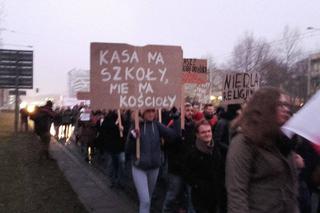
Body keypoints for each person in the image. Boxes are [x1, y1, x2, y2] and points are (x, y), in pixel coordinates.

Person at [226, 87, 299, 213]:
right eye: (280, 105)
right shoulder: (243, 142)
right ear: (265, 107)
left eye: (287, 105)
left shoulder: (283, 141)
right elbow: (237, 192)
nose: (286, 109)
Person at [126, 108, 179, 213]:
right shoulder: (136, 125)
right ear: (142, 112)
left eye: (153, 111)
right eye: (148, 112)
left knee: (148, 198)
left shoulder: (157, 125)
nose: (151, 114)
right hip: (139, 167)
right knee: (145, 200)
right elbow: (127, 149)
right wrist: (132, 137)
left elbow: (173, 136)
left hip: (154, 167)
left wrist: (176, 118)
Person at [184, 119, 223, 213]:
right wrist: (198, 185)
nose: (207, 134)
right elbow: (186, 173)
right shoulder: (192, 152)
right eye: (203, 132)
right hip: (200, 197)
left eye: (209, 131)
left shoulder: (219, 148)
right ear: (197, 134)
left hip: (218, 195)